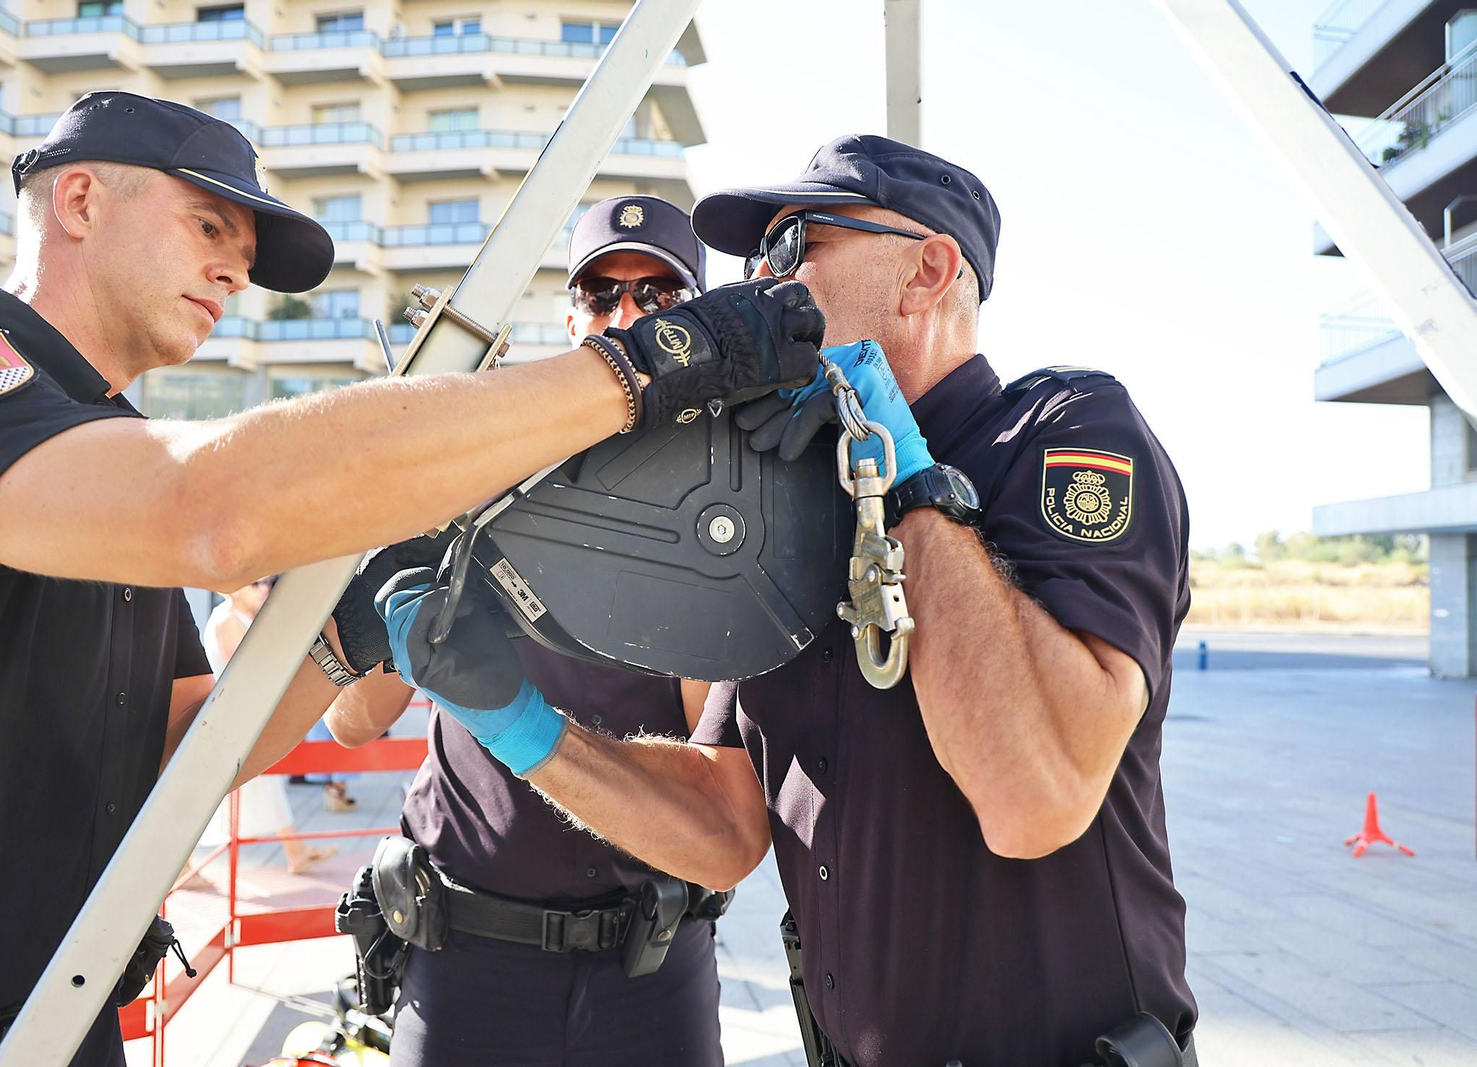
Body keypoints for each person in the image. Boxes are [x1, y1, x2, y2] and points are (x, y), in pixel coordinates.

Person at [0, 90, 824, 1067]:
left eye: (245, 254)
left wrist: (348, 631)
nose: (234, 273)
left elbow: (177, 746)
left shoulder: (100, 443)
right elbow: (208, 509)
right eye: (209, 226)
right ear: (78, 200)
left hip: (58, 1019)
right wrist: (634, 368)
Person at [374, 135, 1198, 1066]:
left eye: (795, 244)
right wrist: (524, 728)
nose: (761, 283)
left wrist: (909, 483)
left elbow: (1034, 797)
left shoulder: (1064, 432)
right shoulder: (798, 505)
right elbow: (726, 822)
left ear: (928, 270)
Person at [325, 196, 727, 1067]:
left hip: (649, 967)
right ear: (571, 313)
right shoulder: (483, 468)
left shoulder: (725, 509)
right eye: (602, 294)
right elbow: (353, 719)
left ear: (696, 314)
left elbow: (719, 781)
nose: (626, 316)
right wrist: (408, 540)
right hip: (464, 958)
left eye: (659, 296)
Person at [196, 576, 337, 877]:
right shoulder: (227, 620)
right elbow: (248, 671)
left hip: (244, 719)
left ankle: (295, 850)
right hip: (235, 721)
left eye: (267, 582)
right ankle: (182, 863)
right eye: (256, 583)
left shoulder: (241, 618)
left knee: (256, 787)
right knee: (219, 797)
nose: (265, 588)